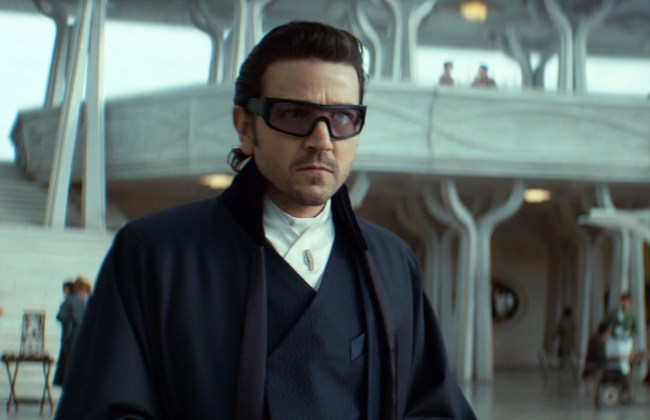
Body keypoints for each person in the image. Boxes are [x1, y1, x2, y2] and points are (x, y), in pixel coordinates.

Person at [55, 21, 476, 419]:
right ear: (245, 127)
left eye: (342, 117)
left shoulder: (392, 262)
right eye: (294, 114)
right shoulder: (154, 256)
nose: (322, 140)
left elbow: (432, 405)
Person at [53, 280, 86, 387]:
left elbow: (63, 317)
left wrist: (66, 339)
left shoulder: (69, 301)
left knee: (68, 365)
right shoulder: (82, 302)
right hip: (81, 338)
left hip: (71, 338)